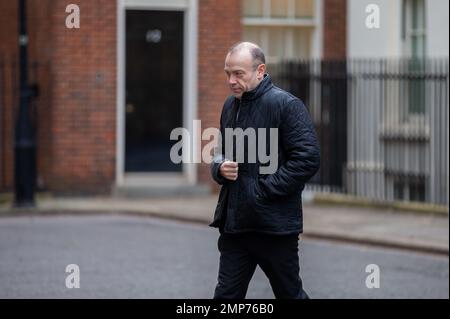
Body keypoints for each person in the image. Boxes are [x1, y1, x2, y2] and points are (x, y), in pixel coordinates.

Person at [210, 42, 320, 299]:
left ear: (260, 71)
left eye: (238, 73)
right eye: (228, 73)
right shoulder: (230, 105)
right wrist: (219, 167)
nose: (231, 80)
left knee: (289, 294)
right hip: (235, 226)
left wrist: (263, 191)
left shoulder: (286, 105)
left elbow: (307, 159)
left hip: (274, 228)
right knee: (226, 296)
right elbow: (220, 151)